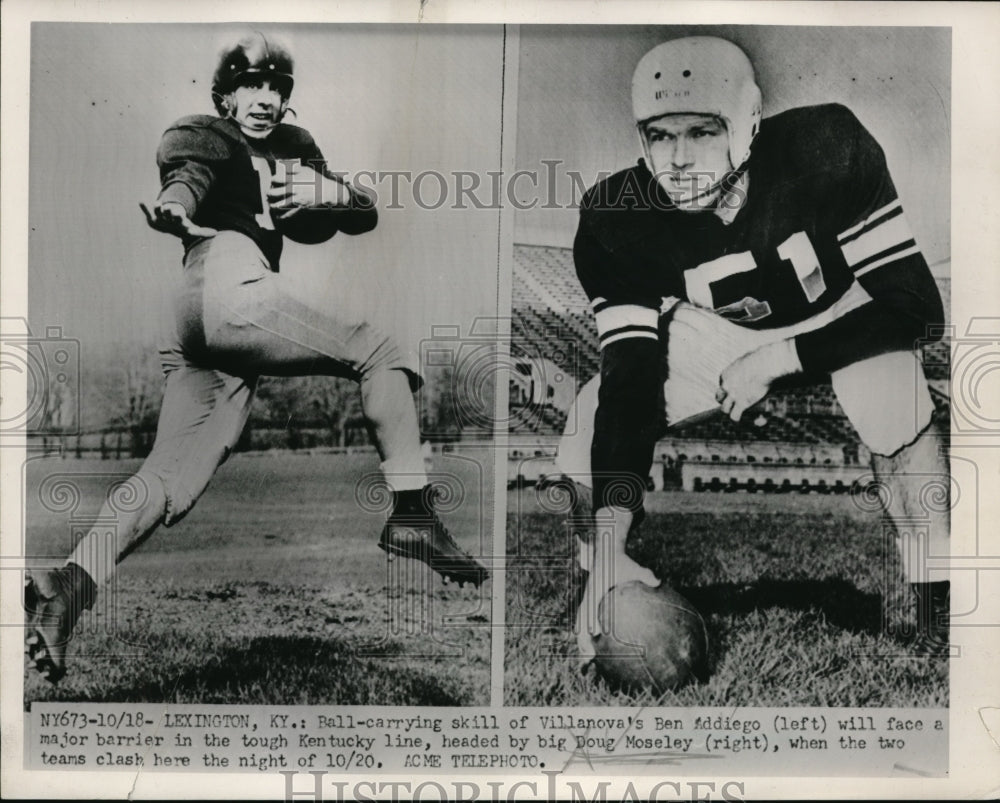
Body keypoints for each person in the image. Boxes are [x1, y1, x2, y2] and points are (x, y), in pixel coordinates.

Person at [25, 31, 487, 684]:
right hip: (223, 284)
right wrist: (174, 209)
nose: (265, 97)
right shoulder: (210, 135)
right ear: (226, 95)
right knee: (381, 347)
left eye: (276, 86)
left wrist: (329, 197)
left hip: (207, 324)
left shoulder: (294, 152)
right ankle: (413, 513)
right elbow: (187, 177)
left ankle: (67, 589)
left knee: (170, 485)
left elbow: (362, 211)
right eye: (251, 85)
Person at [561, 36, 949, 664]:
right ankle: (607, 584)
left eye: (702, 132)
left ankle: (940, 613)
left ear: (749, 126)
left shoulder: (824, 148)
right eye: (660, 136)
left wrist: (778, 358)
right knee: (583, 430)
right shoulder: (616, 215)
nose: (679, 159)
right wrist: (608, 538)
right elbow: (630, 378)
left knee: (897, 404)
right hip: (717, 328)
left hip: (835, 309)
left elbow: (914, 307)